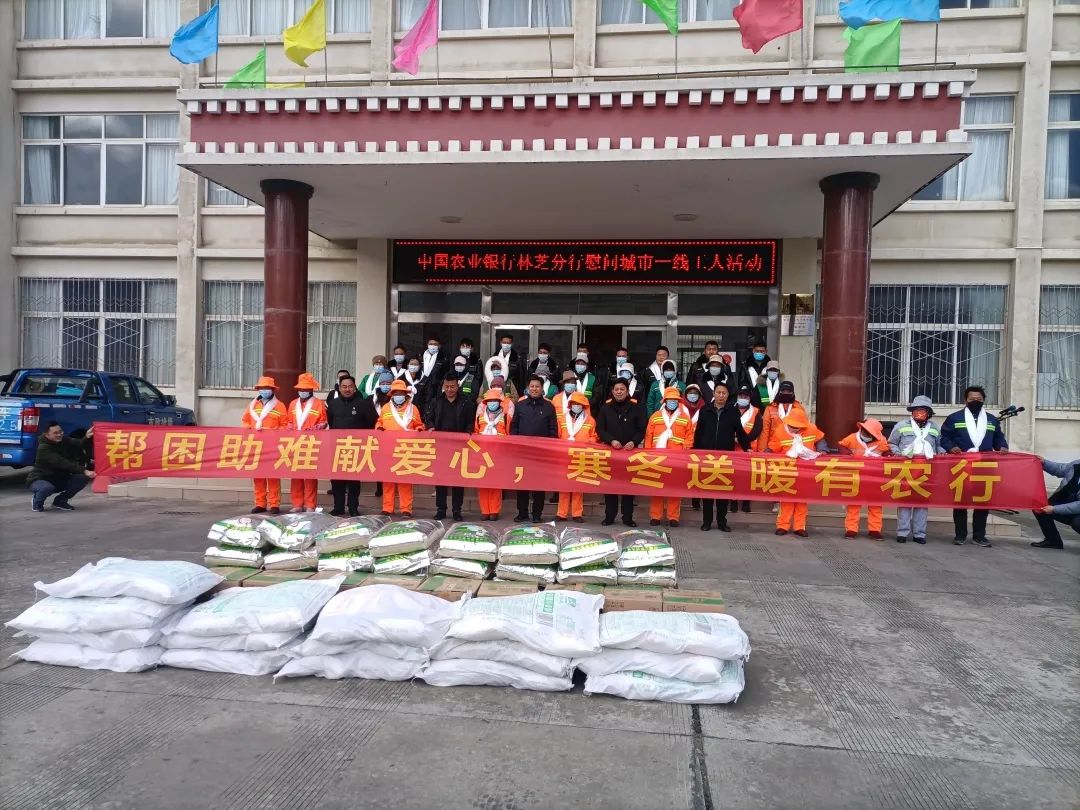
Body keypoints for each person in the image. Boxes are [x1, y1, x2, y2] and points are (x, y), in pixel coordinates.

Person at [941, 385, 1008, 548]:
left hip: (984, 466)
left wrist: (1002, 447)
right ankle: (960, 535)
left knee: (982, 502)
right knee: (960, 502)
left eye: (979, 399)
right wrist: (951, 447)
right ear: (966, 400)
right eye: (972, 399)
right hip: (961, 465)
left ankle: (979, 536)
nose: (975, 401)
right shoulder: (954, 418)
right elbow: (944, 438)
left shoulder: (991, 420)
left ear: (983, 400)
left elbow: (998, 438)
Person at [693, 383, 751, 531]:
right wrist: (696, 451)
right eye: (718, 392)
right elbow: (699, 432)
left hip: (725, 458)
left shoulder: (733, 411)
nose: (721, 395)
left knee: (722, 491)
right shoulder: (704, 410)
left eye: (724, 393)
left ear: (727, 395)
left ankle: (721, 522)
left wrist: (747, 448)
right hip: (707, 457)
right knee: (706, 490)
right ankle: (706, 522)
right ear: (714, 393)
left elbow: (740, 432)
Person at [887, 395, 941, 544]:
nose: (919, 412)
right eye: (916, 409)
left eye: (923, 410)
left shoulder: (935, 428)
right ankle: (902, 533)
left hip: (926, 469)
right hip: (906, 467)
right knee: (904, 500)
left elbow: (939, 445)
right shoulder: (901, 425)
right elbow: (891, 443)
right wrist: (898, 454)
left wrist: (942, 452)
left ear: (929, 413)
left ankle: (919, 534)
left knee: (922, 501)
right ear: (912, 411)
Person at [767, 410, 826, 537]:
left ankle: (799, 527)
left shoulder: (811, 428)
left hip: (805, 470)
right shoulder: (780, 431)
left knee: (802, 500)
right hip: (786, 469)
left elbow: (821, 440)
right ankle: (782, 526)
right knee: (786, 500)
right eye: (791, 426)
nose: (794, 428)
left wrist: (822, 450)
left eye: (797, 427)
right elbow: (772, 448)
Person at [424, 371, 473, 520]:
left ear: (457, 386)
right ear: (443, 386)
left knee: (458, 480)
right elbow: (428, 418)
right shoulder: (436, 401)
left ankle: (457, 510)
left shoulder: (466, 402)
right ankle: (441, 509)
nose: (450, 389)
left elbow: (470, 422)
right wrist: (430, 426)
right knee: (441, 480)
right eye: (447, 386)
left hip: (459, 447)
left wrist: (468, 432)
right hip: (441, 447)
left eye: (452, 386)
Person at [596, 378, 645, 527]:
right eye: (616, 389)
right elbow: (600, 428)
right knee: (610, 486)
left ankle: (627, 518)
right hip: (611, 452)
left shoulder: (636, 408)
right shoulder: (605, 408)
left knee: (628, 487)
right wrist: (610, 440)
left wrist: (634, 442)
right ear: (612, 391)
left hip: (630, 453)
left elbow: (641, 429)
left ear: (627, 391)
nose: (619, 392)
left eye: (622, 389)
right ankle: (609, 516)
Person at [326, 374, 377, 516]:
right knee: (337, 479)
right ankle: (338, 507)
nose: (347, 389)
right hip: (337, 448)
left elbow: (372, 423)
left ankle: (353, 507)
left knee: (353, 480)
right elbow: (330, 422)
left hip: (356, 447)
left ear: (355, 388)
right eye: (344, 387)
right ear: (339, 388)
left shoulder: (364, 403)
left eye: (350, 387)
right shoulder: (333, 404)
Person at [644, 386, 695, 527]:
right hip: (658, 458)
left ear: (679, 401)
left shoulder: (685, 418)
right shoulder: (655, 416)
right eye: (670, 399)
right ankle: (655, 516)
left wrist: (685, 450)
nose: (672, 402)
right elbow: (648, 436)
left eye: (675, 400)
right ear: (665, 401)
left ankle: (673, 517)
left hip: (677, 458)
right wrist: (648, 454)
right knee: (657, 488)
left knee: (675, 488)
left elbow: (690, 436)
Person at [510, 374, 558, 522]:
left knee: (539, 485)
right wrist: (515, 444)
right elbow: (514, 427)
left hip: (541, 454)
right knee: (522, 484)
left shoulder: (549, 407)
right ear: (527, 388)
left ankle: (537, 514)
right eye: (532, 386)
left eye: (537, 386)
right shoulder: (520, 405)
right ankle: (522, 513)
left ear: (542, 389)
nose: (534, 389)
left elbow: (553, 430)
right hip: (522, 453)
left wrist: (549, 449)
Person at [375, 379, 425, 516]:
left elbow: (419, 424)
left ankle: (406, 509)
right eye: (396, 393)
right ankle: (387, 507)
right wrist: (379, 427)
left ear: (405, 394)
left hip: (405, 449)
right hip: (388, 449)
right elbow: (379, 422)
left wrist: (419, 429)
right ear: (392, 395)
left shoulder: (413, 409)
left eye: (401, 393)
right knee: (388, 480)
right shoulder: (386, 408)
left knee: (405, 481)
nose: (398, 395)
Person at [241, 375, 289, 514]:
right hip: (255, 445)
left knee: (273, 476)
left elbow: (285, 425)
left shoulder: (279, 405)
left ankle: (274, 504)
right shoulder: (253, 405)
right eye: (262, 388)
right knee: (258, 476)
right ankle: (260, 503)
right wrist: (249, 429)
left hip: (272, 446)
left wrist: (274, 433)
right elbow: (245, 420)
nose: (264, 390)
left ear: (272, 390)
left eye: (267, 388)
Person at [838, 418, 890, 539]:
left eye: (870, 434)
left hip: (874, 477)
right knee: (853, 504)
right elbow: (841, 445)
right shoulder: (852, 438)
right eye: (865, 432)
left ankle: (875, 529)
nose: (867, 435)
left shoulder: (882, 441)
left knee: (875, 505)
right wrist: (847, 455)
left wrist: (889, 455)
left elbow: (887, 452)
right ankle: (851, 529)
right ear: (861, 429)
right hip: (856, 476)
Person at [28, 422, 96, 512]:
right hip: (41, 479)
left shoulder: (64, 440)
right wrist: (85, 470)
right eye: (55, 433)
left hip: (60, 478)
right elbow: (62, 462)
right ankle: (37, 502)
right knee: (46, 488)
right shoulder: (43, 448)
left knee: (82, 479)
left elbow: (78, 444)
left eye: (60, 431)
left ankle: (60, 501)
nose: (59, 435)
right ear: (47, 435)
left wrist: (87, 436)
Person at [286, 372, 329, 512]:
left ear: (311, 389)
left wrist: (315, 428)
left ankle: (310, 504)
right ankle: (297, 504)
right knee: (295, 476)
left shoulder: (318, 404)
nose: (303, 391)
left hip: (311, 444)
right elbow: (289, 422)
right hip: (295, 443)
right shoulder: (293, 404)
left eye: (305, 389)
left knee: (310, 476)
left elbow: (324, 422)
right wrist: (290, 430)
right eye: (301, 389)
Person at [555, 391, 599, 523]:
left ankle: (577, 513)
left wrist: (589, 442)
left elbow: (595, 436)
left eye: (579, 404)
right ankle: (561, 513)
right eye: (574, 403)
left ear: (584, 406)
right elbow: (556, 436)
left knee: (578, 486)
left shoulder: (590, 420)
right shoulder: (562, 419)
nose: (576, 405)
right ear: (570, 405)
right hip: (564, 456)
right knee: (563, 486)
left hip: (581, 456)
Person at [475, 389, 512, 520]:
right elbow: (475, 435)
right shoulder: (479, 417)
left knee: (496, 484)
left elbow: (510, 435)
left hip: (499, 455)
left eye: (494, 401)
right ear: (486, 403)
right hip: (482, 455)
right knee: (483, 484)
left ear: (499, 402)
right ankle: (485, 511)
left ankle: (494, 511)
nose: (492, 403)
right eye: (489, 401)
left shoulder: (506, 417)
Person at [1031, 458, 1080, 549]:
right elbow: (1061, 469)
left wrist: (1054, 509)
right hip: (1069, 504)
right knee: (1040, 508)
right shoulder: (1077, 464)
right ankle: (1053, 541)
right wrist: (1044, 462)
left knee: (1077, 522)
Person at [729, 385, 763, 513]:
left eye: (745, 396)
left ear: (749, 398)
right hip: (732, 448)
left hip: (748, 450)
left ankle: (746, 501)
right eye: (741, 396)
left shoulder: (756, 412)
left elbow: (757, 430)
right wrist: (732, 438)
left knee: (747, 477)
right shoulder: (730, 410)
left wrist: (742, 440)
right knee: (733, 476)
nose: (743, 398)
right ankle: (733, 500)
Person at [757, 379, 806, 453]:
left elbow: (804, 428)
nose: (786, 393)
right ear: (779, 392)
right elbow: (765, 430)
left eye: (788, 391)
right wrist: (762, 451)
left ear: (793, 393)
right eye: (783, 391)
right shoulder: (770, 408)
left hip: (794, 448)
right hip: (773, 448)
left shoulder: (799, 408)